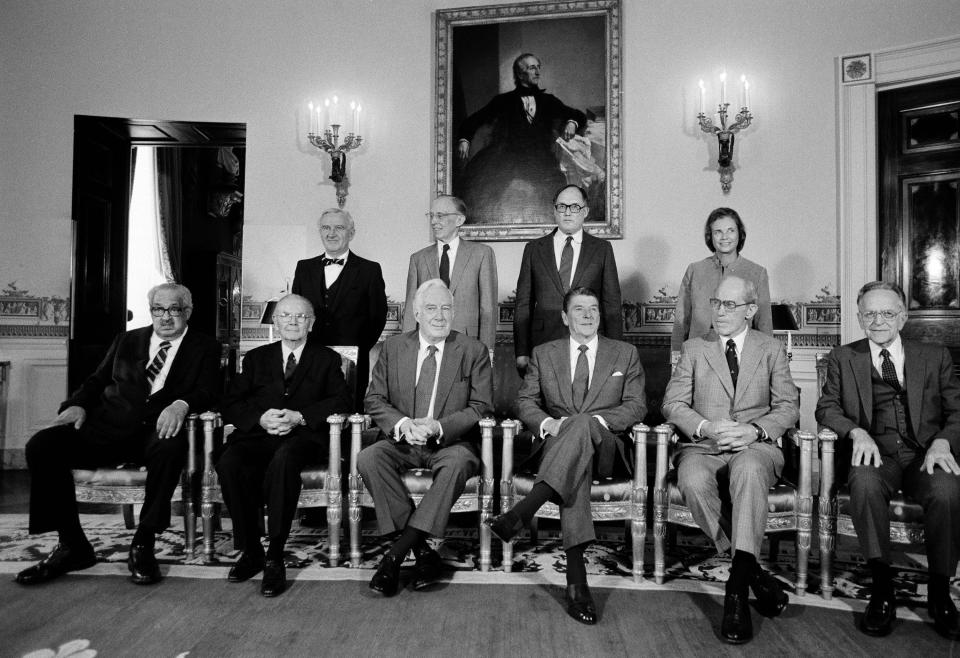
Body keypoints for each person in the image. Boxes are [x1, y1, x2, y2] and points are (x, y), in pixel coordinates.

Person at [16, 283, 220, 587]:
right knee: (42, 446)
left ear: (187, 312)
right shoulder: (127, 340)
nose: (165, 317)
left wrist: (180, 404)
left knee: (170, 448)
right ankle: (72, 544)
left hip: (158, 431)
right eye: (158, 310)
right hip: (108, 427)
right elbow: (96, 381)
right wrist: (76, 405)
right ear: (151, 311)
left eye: (174, 310)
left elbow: (210, 389)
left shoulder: (205, 346)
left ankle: (143, 542)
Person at [487, 287, 646, 625]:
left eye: (593, 309)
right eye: (578, 309)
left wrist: (591, 423)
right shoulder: (544, 353)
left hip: (607, 446)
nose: (587, 315)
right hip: (556, 446)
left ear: (600, 316)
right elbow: (524, 402)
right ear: (564, 317)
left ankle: (521, 511)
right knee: (575, 465)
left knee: (583, 425)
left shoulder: (625, 353)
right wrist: (547, 423)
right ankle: (577, 581)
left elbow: (637, 405)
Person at [815, 281, 960, 640]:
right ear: (860, 318)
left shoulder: (934, 355)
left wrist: (943, 442)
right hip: (876, 452)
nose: (878, 321)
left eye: (887, 313)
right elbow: (826, 407)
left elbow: (957, 411)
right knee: (862, 483)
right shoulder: (844, 357)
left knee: (947, 491)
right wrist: (856, 432)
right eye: (870, 314)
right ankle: (882, 588)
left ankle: (941, 590)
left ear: (903, 317)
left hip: (925, 453)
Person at [662, 275, 799, 644]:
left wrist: (755, 430)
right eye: (716, 303)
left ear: (751, 311)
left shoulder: (769, 348)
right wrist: (705, 426)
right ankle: (753, 573)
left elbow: (787, 406)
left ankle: (735, 593)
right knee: (690, 480)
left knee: (751, 470)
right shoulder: (694, 348)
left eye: (730, 305)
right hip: (703, 447)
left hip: (755, 447)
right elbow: (672, 404)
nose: (720, 312)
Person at [358, 279, 493, 596]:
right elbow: (374, 400)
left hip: (450, 443)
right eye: (431, 308)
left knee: (459, 463)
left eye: (446, 308)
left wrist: (438, 427)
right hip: (401, 442)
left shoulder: (472, 350)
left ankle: (395, 555)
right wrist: (404, 424)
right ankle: (424, 552)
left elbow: (482, 407)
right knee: (368, 457)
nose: (439, 316)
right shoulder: (393, 348)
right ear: (416, 313)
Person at [216, 294, 351, 598]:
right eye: (286, 315)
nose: (293, 321)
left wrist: (301, 416)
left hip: (303, 438)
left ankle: (275, 554)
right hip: (259, 434)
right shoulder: (256, 358)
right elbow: (231, 402)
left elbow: (342, 400)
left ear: (311, 323)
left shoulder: (326, 358)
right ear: (275, 321)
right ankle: (251, 550)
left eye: (301, 317)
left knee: (285, 459)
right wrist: (260, 418)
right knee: (229, 461)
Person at [455, 53, 587, 225]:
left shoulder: (548, 101)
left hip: (541, 159)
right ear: (520, 73)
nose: (538, 72)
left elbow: (576, 115)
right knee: (483, 191)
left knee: (556, 193)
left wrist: (572, 122)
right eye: (532, 68)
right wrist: (465, 139)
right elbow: (474, 120)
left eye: (538, 67)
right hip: (508, 157)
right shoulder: (503, 101)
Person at [514, 184, 622, 376]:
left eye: (575, 207)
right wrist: (521, 351)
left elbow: (611, 304)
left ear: (585, 211)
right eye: (561, 206)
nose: (568, 212)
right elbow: (523, 304)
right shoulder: (534, 249)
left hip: (589, 342)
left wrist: (616, 351)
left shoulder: (602, 249)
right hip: (543, 342)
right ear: (554, 210)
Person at [292, 208, 387, 411]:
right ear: (320, 231)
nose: (331, 233)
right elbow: (296, 312)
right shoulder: (303, 268)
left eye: (339, 227)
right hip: (310, 357)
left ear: (351, 233)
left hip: (352, 360)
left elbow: (377, 317)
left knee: (349, 412)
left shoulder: (369, 270)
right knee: (309, 412)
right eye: (326, 227)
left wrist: (356, 349)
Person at [671, 207, 772, 361]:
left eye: (730, 230)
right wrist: (676, 357)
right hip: (698, 356)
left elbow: (764, 325)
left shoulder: (757, 273)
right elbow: (681, 319)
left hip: (741, 357)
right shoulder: (695, 270)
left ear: (740, 234)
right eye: (718, 232)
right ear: (710, 236)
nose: (724, 237)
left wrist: (767, 361)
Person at [402, 195, 498, 356]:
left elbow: (487, 309)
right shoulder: (418, 259)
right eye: (431, 215)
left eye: (440, 215)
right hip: (427, 346)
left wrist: (487, 351)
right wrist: (407, 350)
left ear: (459, 220)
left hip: (468, 345)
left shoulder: (481, 254)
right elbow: (412, 312)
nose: (433, 221)